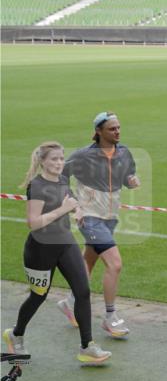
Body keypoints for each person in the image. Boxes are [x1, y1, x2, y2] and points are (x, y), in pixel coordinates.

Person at [2, 142, 112, 365]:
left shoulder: (62, 179)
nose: (59, 163)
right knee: (38, 296)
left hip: (65, 243)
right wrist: (63, 209)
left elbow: (70, 200)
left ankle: (87, 347)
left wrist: (77, 210)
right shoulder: (37, 186)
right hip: (40, 250)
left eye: (62, 158)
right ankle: (16, 334)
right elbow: (33, 223)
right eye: (54, 159)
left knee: (83, 291)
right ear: (43, 161)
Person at [58, 111, 139, 338]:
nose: (117, 132)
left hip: (110, 216)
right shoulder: (84, 155)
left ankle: (70, 302)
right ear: (98, 131)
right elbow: (61, 175)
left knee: (89, 260)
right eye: (112, 129)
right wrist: (74, 204)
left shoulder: (124, 152)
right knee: (114, 264)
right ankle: (110, 317)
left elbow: (127, 176)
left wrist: (132, 181)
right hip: (90, 218)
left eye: (118, 128)